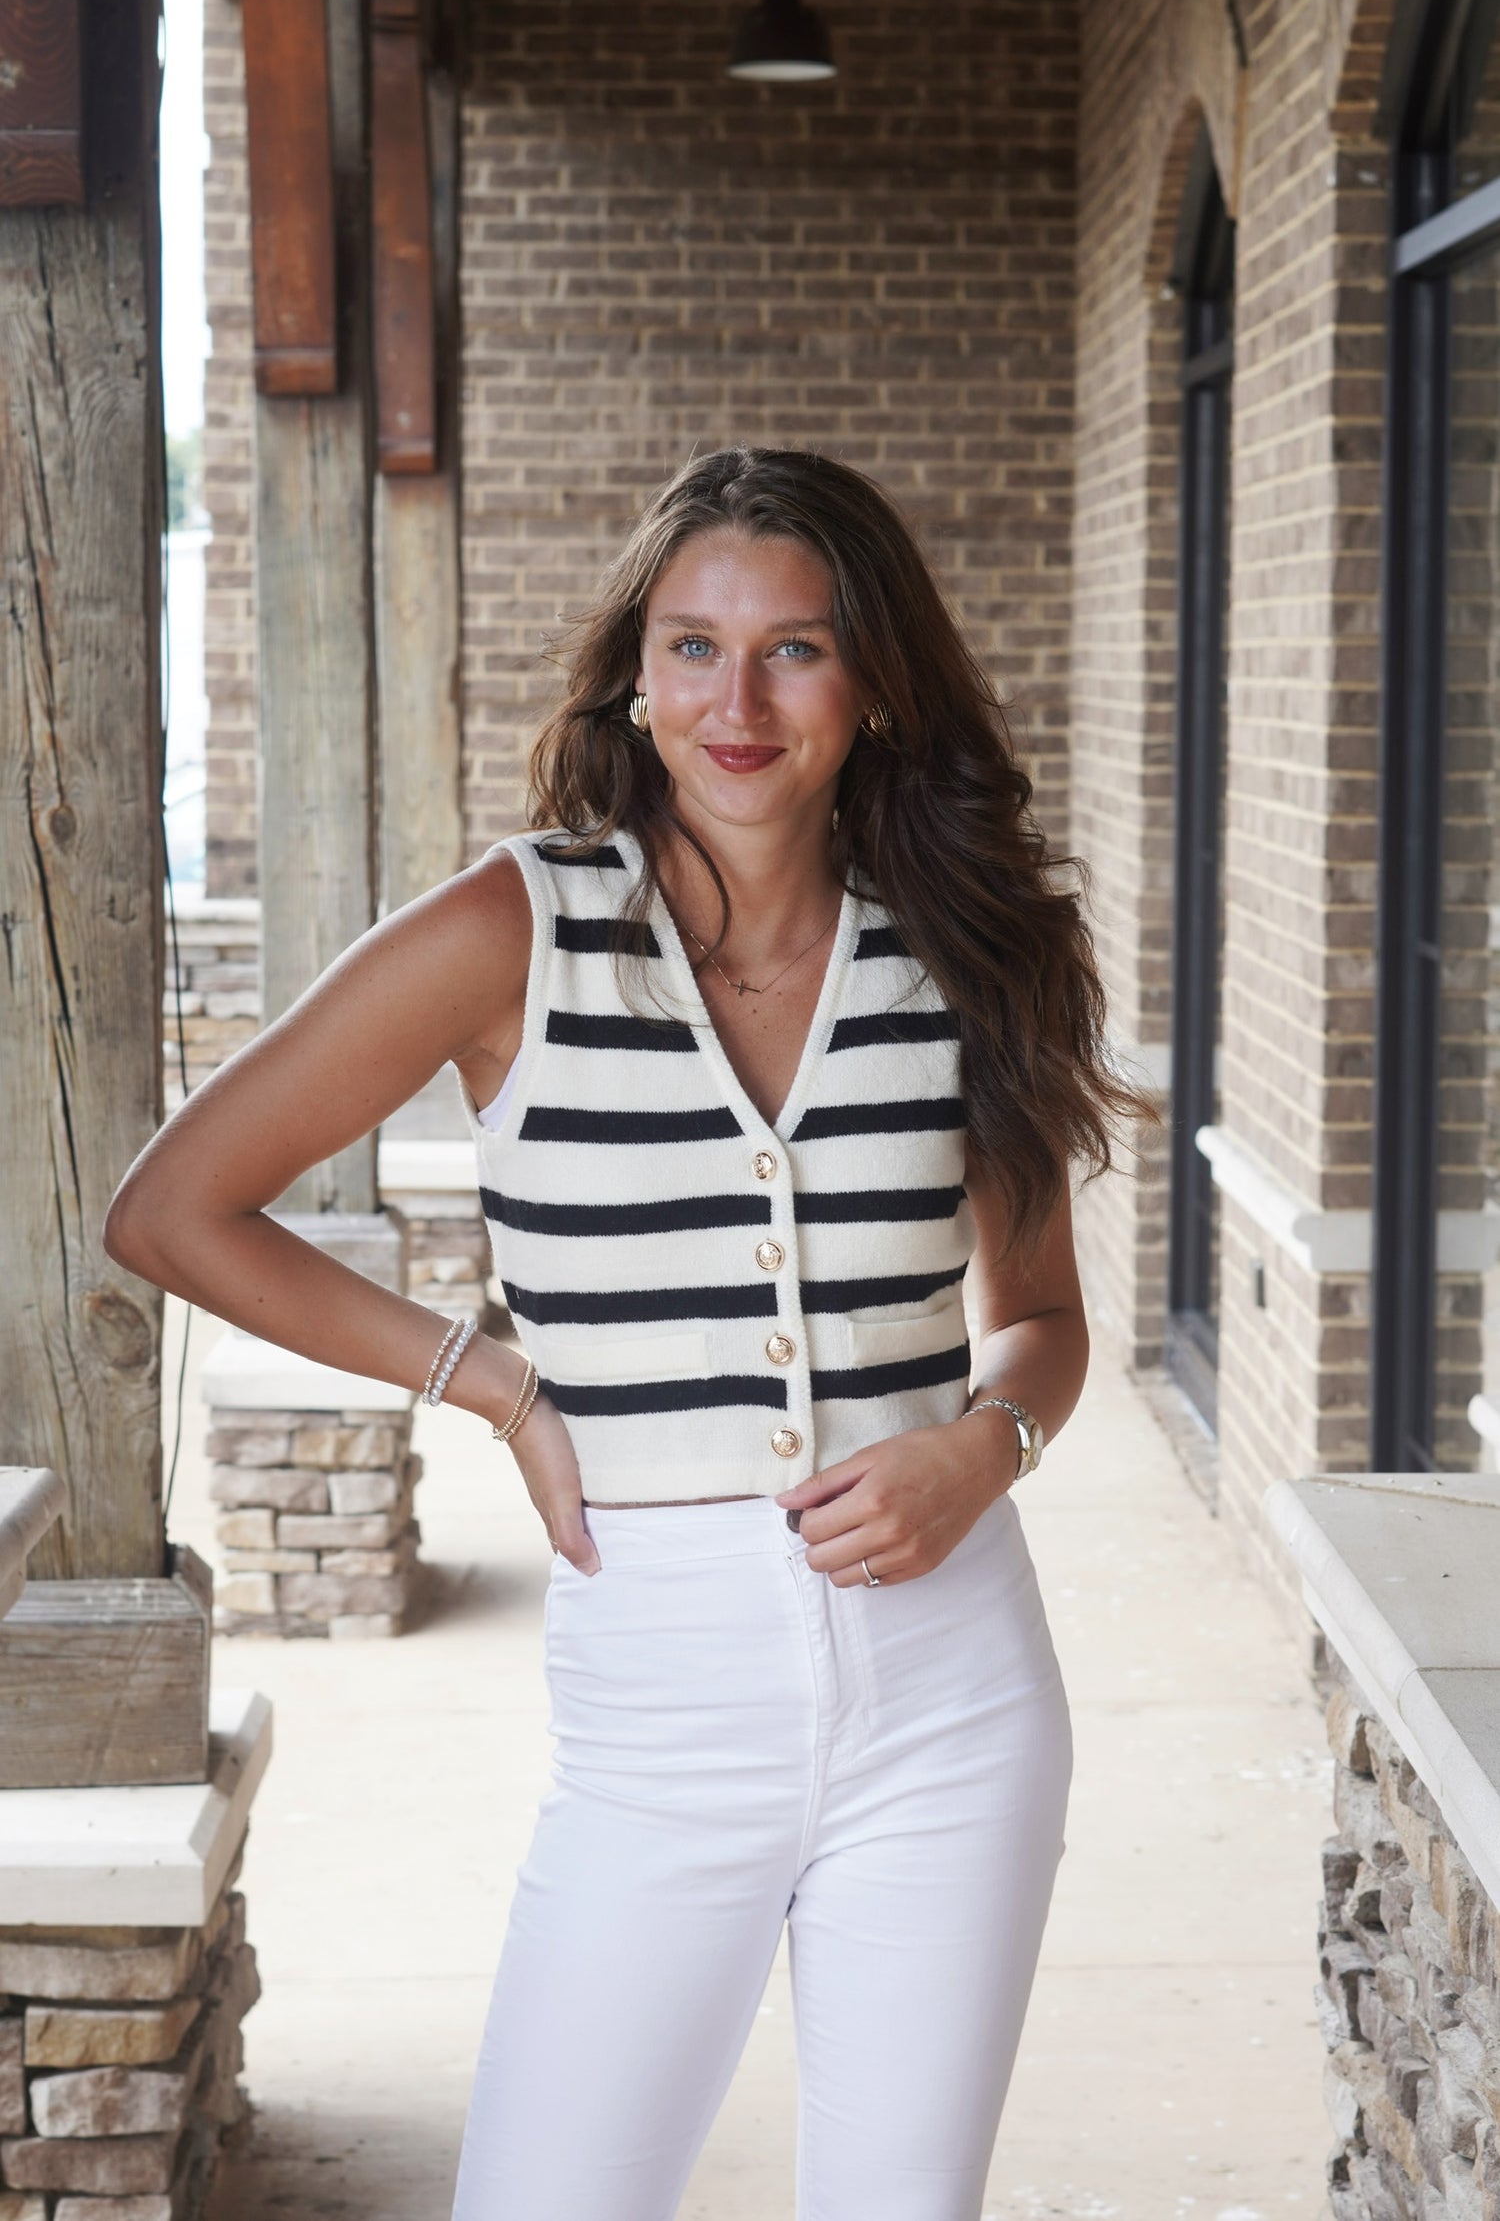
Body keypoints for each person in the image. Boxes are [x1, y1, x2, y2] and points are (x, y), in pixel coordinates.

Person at [107, 446, 1152, 2221]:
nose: (736, 702)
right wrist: (489, 1377)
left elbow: (1040, 1318)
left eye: (796, 649)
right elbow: (175, 1206)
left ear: (876, 676)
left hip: (957, 1689)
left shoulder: (971, 949)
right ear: (635, 674)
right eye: (692, 647)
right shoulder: (514, 929)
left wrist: (987, 1447)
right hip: (665, 1699)